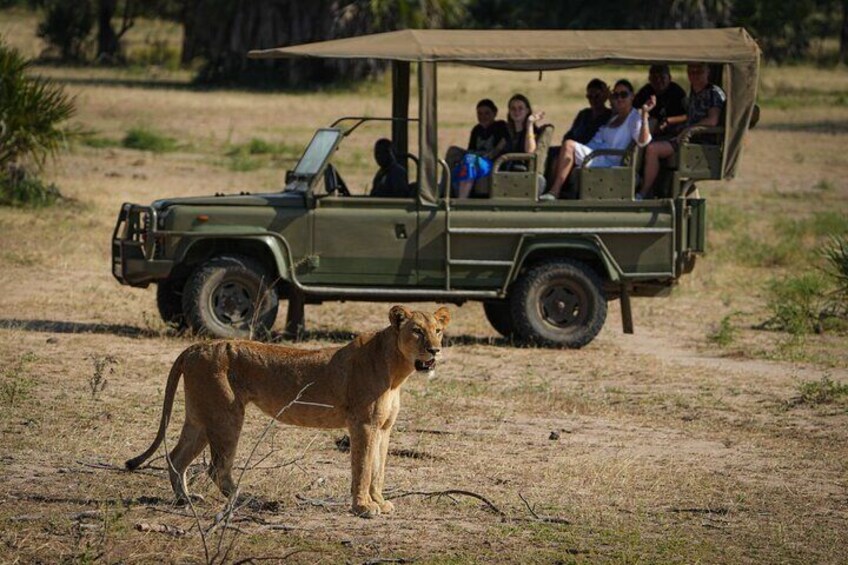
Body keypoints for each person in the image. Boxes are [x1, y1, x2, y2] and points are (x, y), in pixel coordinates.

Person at [543, 79, 654, 200]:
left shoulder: (634, 117)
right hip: (597, 155)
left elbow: (643, 141)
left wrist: (644, 115)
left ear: (632, 96)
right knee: (560, 151)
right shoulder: (614, 117)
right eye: (616, 95)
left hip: (610, 161)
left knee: (569, 145)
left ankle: (555, 191)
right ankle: (554, 191)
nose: (619, 98)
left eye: (624, 94)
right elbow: (595, 141)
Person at [638, 63, 726, 200]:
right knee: (647, 142)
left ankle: (643, 193)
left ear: (708, 72)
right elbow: (690, 117)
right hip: (687, 137)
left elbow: (712, 120)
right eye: (691, 70)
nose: (694, 73)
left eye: (699, 70)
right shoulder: (695, 91)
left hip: (698, 141)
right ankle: (658, 189)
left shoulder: (713, 92)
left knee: (652, 149)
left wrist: (688, 129)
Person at [452, 99, 510, 198]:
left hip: (493, 163)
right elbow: (471, 149)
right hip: (476, 160)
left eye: (487, 113)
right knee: (453, 153)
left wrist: (483, 156)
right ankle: (443, 191)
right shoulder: (476, 130)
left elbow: (500, 147)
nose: (483, 117)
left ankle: (462, 200)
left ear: (495, 113)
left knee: (469, 162)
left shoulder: (500, 126)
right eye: (480, 113)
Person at [632, 64, 687, 137]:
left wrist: (668, 121)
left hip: (673, 130)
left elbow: (686, 116)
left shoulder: (677, 92)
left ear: (669, 78)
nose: (658, 80)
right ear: (649, 79)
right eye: (654, 78)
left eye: (662, 77)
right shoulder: (645, 91)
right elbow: (633, 110)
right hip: (648, 128)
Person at [503, 93, 545, 170]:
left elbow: (530, 152)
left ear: (527, 110)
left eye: (520, 108)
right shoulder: (506, 131)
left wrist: (529, 124)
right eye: (513, 108)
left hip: (522, 171)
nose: (516, 111)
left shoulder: (532, 131)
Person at [563, 78, 612, 144]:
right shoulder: (583, 114)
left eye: (597, 96)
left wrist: (610, 97)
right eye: (590, 97)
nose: (593, 100)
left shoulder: (610, 116)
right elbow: (569, 135)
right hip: (573, 148)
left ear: (604, 96)